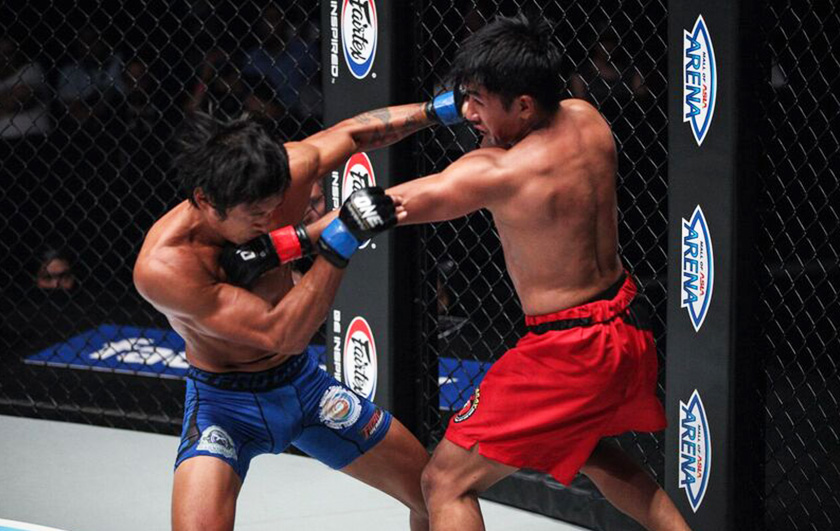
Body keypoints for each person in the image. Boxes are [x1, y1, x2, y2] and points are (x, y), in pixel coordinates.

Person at [224, 14, 690, 531]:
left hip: (569, 351)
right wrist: (472, 112)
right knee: (595, 452)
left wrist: (285, 243)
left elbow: (383, 205)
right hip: (627, 325)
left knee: (444, 482)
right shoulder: (587, 119)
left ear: (524, 105)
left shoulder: (501, 172)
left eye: (481, 102)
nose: (470, 114)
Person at [133, 98, 450, 531]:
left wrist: (439, 110)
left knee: (436, 494)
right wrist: (338, 241)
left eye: (274, 207)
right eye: (255, 215)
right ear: (205, 200)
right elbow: (281, 332)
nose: (268, 222)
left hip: (304, 386)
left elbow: (355, 131)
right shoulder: (166, 265)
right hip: (224, 405)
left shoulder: (280, 171)